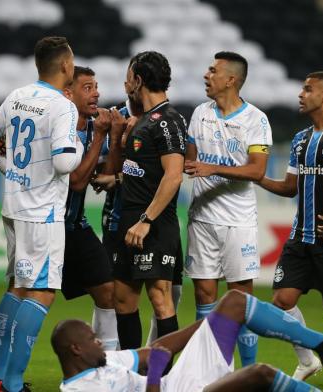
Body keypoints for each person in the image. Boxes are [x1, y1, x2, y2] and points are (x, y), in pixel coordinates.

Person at [0, 36, 83, 392]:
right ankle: (13, 383)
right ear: (66, 66)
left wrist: (11, 171)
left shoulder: (17, 96)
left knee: (18, 289)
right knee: (41, 293)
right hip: (43, 213)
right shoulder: (63, 106)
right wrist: (80, 143)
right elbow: (65, 161)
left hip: (13, 207)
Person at [51, 289, 323, 391]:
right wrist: (155, 374)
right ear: (75, 349)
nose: (100, 341)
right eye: (92, 339)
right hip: (165, 387)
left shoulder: (104, 360)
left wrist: (214, 321)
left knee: (233, 303)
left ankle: (322, 344)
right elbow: (156, 365)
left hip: (174, 383)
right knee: (260, 374)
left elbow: (155, 351)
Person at [184, 51, 273, 366]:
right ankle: (211, 370)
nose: (207, 75)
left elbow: (257, 171)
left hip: (238, 221)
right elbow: (191, 163)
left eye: (213, 70)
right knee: (204, 296)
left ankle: (249, 371)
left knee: (240, 300)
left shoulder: (256, 119)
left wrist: (214, 169)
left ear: (231, 79)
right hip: (201, 218)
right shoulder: (199, 114)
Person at [257, 71, 323, 381]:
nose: (301, 94)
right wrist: (254, 176)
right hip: (301, 237)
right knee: (282, 302)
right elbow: (290, 187)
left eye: (308, 89)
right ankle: (309, 360)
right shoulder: (300, 139)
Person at [112, 51, 187, 350]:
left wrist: (145, 222)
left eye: (129, 77)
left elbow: (173, 176)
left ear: (139, 80)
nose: (125, 83)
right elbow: (143, 171)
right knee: (122, 298)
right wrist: (115, 179)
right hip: (130, 218)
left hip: (153, 224)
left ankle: (164, 377)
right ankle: (132, 372)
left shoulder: (167, 120)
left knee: (160, 296)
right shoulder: (143, 120)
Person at [60, 65, 122, 351]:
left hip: (76, 226)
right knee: (29, 297)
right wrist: (99, 137)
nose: (96, 93)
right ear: (67, 93)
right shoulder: (60, 129)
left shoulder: (96, 129)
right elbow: (76, 182)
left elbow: (104, 177)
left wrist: (115, 135)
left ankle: (105, 367)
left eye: (96, 86)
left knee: (107, 292)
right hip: (47, 226)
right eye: (88, 87)